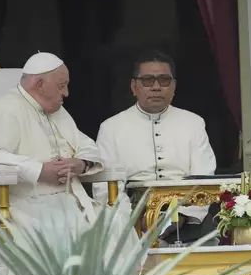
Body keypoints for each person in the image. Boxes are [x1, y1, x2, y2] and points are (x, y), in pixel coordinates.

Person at [0, 52, 140, 269]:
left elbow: (87, 145)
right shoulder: (8, 108)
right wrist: (37, 170)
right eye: (61, 85)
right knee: (65, 236)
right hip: (23, 206)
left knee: (118, 225)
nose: (66, 93)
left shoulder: (57, 111)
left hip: (68, 203)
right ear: (39, 85)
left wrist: (81, 163)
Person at [93, 50, 219, 246]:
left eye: (164, 80)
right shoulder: (111, 128)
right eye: (148, 80)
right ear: (134, 87)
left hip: (188, 220)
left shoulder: (193, 123)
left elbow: (204, 177)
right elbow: (105, 188)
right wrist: (134, 220)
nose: (156, 87)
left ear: (174, 86)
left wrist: (181, 217)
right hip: (130, 224)